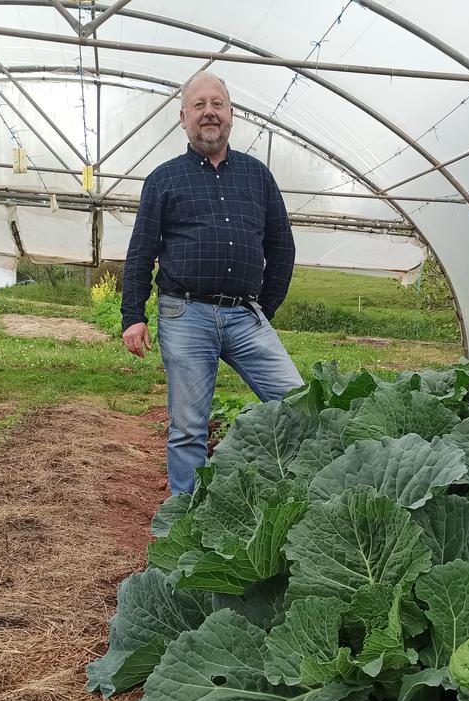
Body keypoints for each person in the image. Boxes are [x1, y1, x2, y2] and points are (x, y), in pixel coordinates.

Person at [121, 72, 303, 495]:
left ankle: (295, 493)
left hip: (245, 315)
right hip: (185, 315)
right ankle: (185, 521)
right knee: (188, 427)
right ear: (184, 117)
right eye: (199, 105)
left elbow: (282, 247)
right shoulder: (163, 179)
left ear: (232, 115)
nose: (209, 113)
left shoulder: (257, 176)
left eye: (217, 104)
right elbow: (140, 253)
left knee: (298, 402)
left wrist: (263, 308)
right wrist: (134, 315)